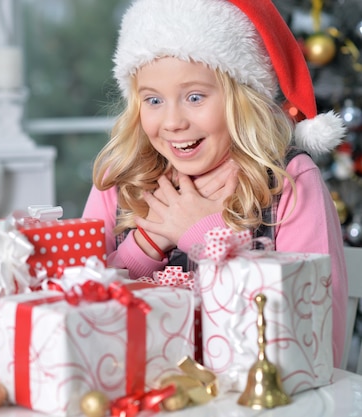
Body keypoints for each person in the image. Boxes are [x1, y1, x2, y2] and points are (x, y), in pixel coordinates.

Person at [82, 0, 348, 367]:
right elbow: (81, 307)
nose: (173, 121)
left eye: (195, 97)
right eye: (153, 100)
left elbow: (316, 337)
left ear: (242, 98)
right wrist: (144, 245)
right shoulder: (121, 180)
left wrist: (204, 235)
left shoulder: (288, 182)